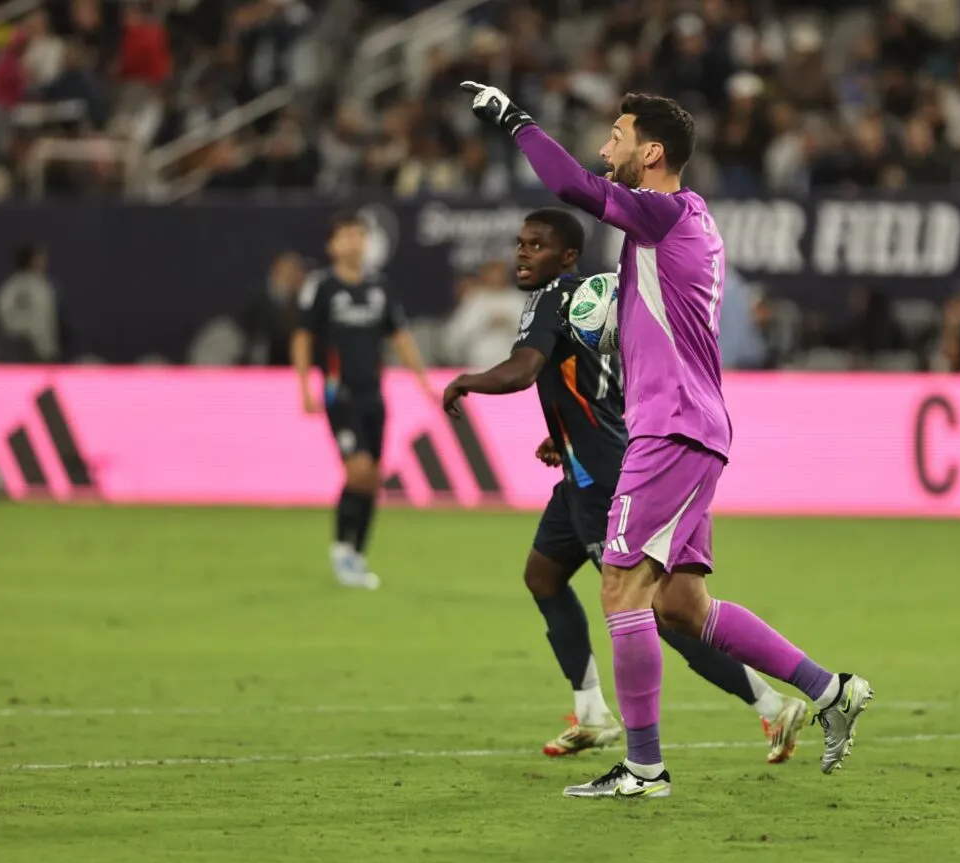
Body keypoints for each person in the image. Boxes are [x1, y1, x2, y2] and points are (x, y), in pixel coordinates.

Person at [461, 83, 873, 799]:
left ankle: (644, 765)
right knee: (681, 606)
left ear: (650, 152)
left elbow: (568, 183)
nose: (603, 148)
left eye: (616, 136)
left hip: (671, 427)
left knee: (620, 584)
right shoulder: (693, 221)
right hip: (693, 426)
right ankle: (829, 688)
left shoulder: (661, 214)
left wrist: (516, 119)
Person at [441, 209, 809, 763]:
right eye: (520, 244)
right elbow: (601, 382)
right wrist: (560, 434)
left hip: (603, 480)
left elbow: (523, 369)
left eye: (536, 246)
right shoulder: (601, 302)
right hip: (583, 467)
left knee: (658, 611)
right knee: (542, 575)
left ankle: (770, 705)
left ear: (567, 257)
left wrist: (467, 379)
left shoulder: (552, 300)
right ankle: (591, 712)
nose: (522, 254)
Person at [292, 211, 432, 589]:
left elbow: (399, 336)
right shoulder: (321, 287)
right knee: (358, 471)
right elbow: (303, 337)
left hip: (374, 394)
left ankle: (358, 553)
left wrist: (423, 382)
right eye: (346, 236)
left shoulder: (380, 287)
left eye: (359, 235)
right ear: (332, 245)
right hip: (340, 394)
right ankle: (341, 549)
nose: (354, 242)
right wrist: (305, 387)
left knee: (372, 479)